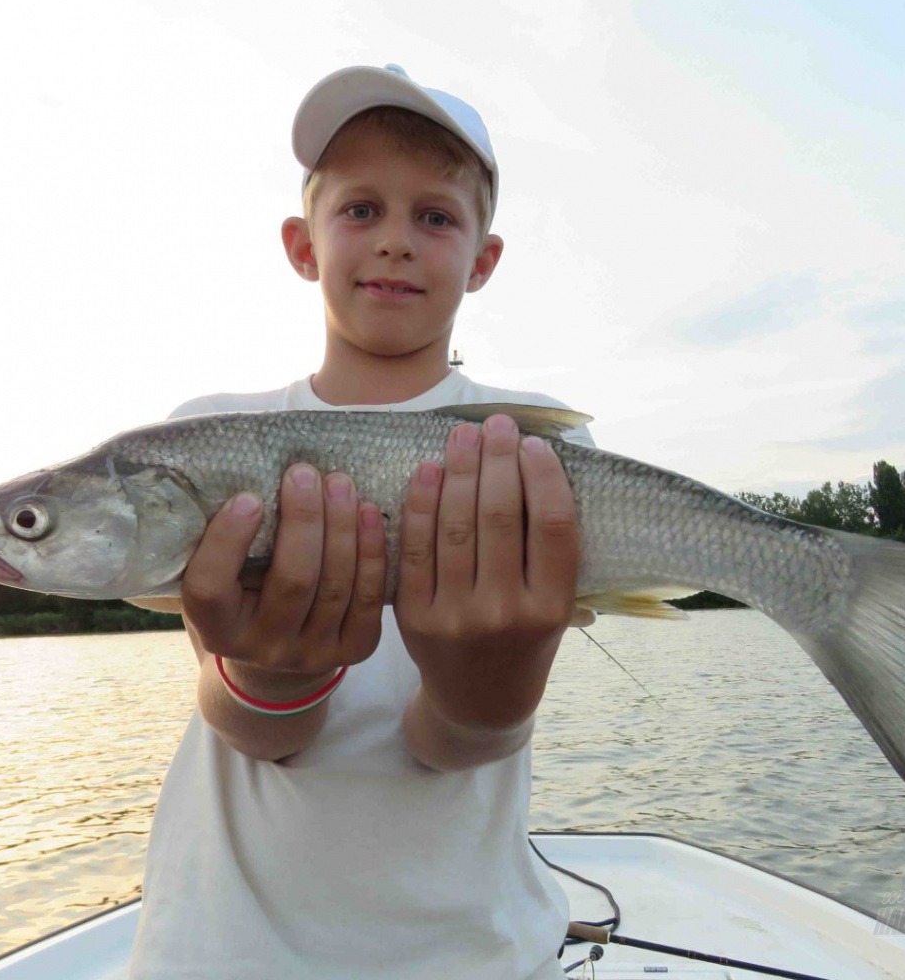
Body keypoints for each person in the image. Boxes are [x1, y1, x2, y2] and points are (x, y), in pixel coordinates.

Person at [127, 64, 594, 979]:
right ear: (303, 244)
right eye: (360, 211)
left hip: (471, 952)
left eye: (434, 217)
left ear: (483, 259)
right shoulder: (201, 435)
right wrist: (266, 671)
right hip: (226, 949)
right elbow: (267, 735)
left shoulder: (526, 444)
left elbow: (451, 747)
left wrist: (486, 693)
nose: (394, 242)